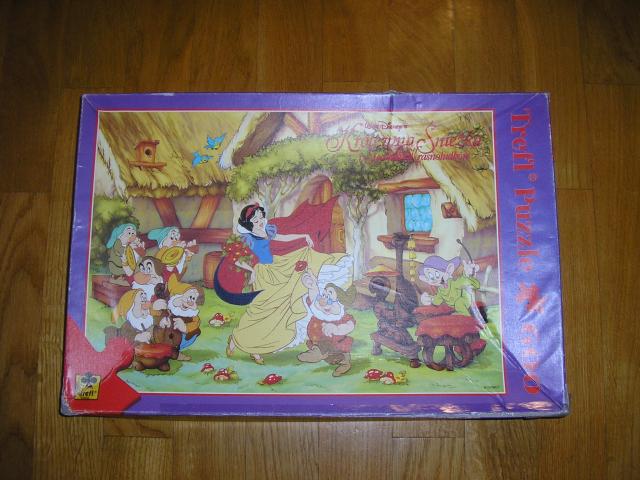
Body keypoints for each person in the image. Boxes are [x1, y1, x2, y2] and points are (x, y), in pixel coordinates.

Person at [221, 203, 347, 365]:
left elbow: (283, 237)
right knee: (259, 312)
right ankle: (236, 339)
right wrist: (251, 270)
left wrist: (303, 236)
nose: (260, 221)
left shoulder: (267, 231)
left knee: (276, 312)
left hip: (277, 268)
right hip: (263, 275)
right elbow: (235, 258)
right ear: (249, 223)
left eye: (261, 217)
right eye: (255, 220)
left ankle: (255, 349)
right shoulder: (248, 238)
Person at [297, 271, 357, 377]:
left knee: (340, 355)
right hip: (319, 341)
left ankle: (342, 363)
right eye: (324, 293)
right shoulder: (320, 308)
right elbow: (314, 298)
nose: (325, 297)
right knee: (325, 352)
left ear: (338, 299)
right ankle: (319, 354)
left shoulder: (340, 314)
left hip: (336, 342)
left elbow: (349, 326)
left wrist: (336, 329)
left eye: (330, 294)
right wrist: (312, 286)